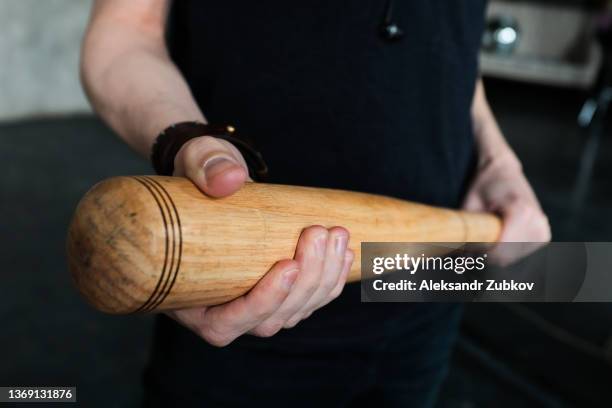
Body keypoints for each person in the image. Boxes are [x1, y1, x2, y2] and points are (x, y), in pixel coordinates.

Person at [81, 0, 550, 406]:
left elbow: (450, 43)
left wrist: (498, 159)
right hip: (246, 296)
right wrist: (187, 138)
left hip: (431, 285)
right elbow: (122, 38)